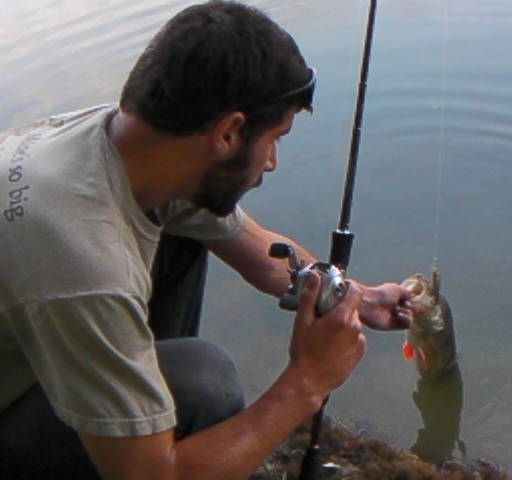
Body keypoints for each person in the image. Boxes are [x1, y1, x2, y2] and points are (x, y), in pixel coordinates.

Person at [0, 2, 414, 479]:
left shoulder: (122, 147)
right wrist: (307, 382)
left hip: (35, 350)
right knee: (204, 383)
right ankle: (153, 430)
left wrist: (356, 299)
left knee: (186, 231)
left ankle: (142, 413)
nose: (273, 162)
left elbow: (260, 253)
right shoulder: (86, 264)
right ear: (229, 133)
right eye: (275, 138)